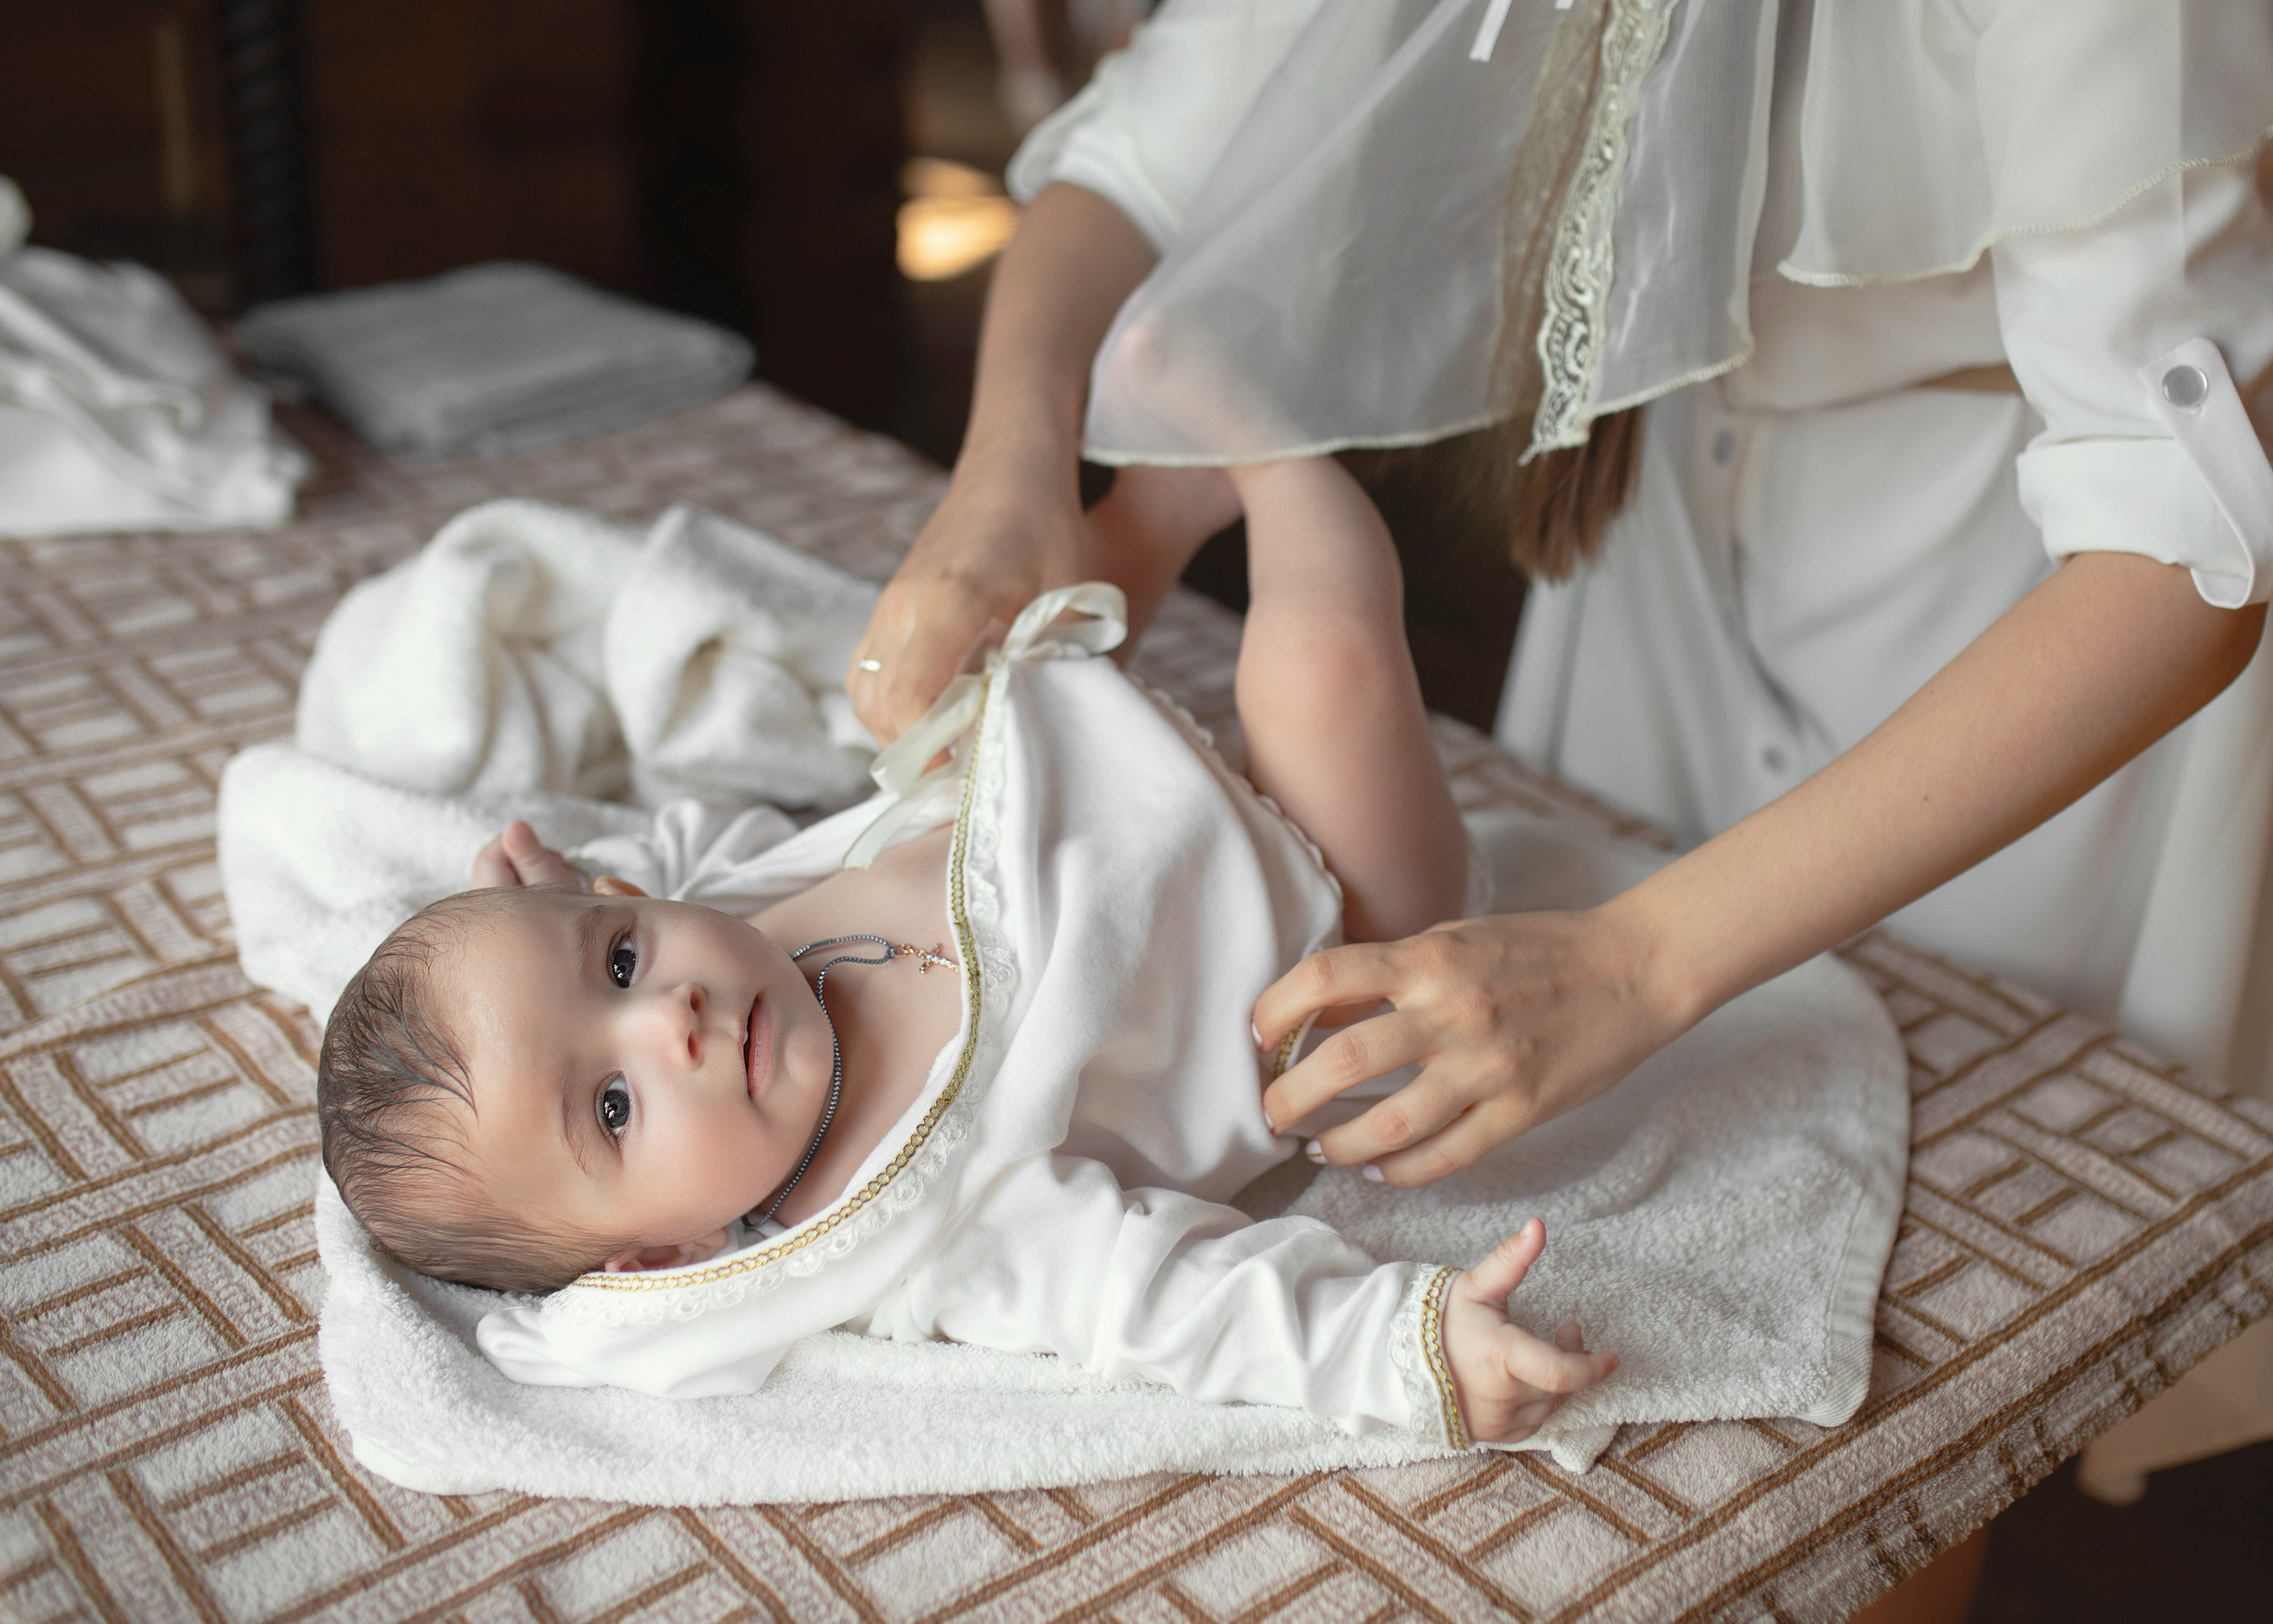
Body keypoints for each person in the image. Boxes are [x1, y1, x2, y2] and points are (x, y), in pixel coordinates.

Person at [848, 0, 2273, 1517]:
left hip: (2007, 610)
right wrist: (1010, 473)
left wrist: (1642, 959)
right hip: (1662, 543)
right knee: (1648, 1284)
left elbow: (2176, 553)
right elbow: (1145, 161)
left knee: (1929, 1366)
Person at [313, 449, 1616, 1447]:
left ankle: (1162, 498)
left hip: (1108, 775)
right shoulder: (924, 1216)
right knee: (1318, 666)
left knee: (962, 651)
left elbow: (686, 854)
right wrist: (1407, 1350)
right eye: (610, 1103)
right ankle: (1281, 440)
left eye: (614, 961)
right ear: (656, 1255)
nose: (671, 1017)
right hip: (1343, 918)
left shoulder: (723, 930)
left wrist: (556, 900)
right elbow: (1156, 1299)